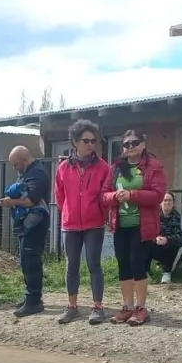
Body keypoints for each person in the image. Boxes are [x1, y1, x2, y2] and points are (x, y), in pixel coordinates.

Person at [101, 130, 166, 326]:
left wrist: (132, 195)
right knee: (123, 265)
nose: (130, 147)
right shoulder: (115, 169)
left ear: (143, 144)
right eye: (126, 144)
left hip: (142, 225)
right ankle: (127, 307)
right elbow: (103, 194)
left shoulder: (153, 166)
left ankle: (141, 308)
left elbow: (158, 195)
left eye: (135, 143)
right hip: (120, 225)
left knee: (137, 263)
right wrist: (114, 197)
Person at [55, 119, 110, 325]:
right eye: (86, 140)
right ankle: (72, 307)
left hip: (94, 224)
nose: (91, 144)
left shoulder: (103, 167)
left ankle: (97, 307)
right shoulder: (62, 168)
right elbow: (59, 196)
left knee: (94, 265)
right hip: (70, 225)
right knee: (72, 266)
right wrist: (69, 212)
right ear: (75, 142)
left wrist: (98, 213)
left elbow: (105, 195)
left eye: (93, 141)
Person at [5, 146, 50, 317]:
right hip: (28, 223)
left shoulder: (37, 173)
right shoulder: (28, 172)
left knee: (31, 260)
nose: (15, 169)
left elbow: (31, 200)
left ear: (24, 160)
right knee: (26, 259)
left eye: (16, 165)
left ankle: (34, 300)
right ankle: (30, 296)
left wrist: (11, 202)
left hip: (36, 223)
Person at [151, 192, 182, 284]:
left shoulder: (179, 218)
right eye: (165, 200)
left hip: (173, 246)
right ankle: (145, 271)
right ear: (160, 202)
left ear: (173, 203)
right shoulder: (154, 216)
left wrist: (167, 240)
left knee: (176, 246)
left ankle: (167, 272)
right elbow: (148, 231)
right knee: (145, 242)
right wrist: (155, 238)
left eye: (170, 200)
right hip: (157, 244)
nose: (167, 203)